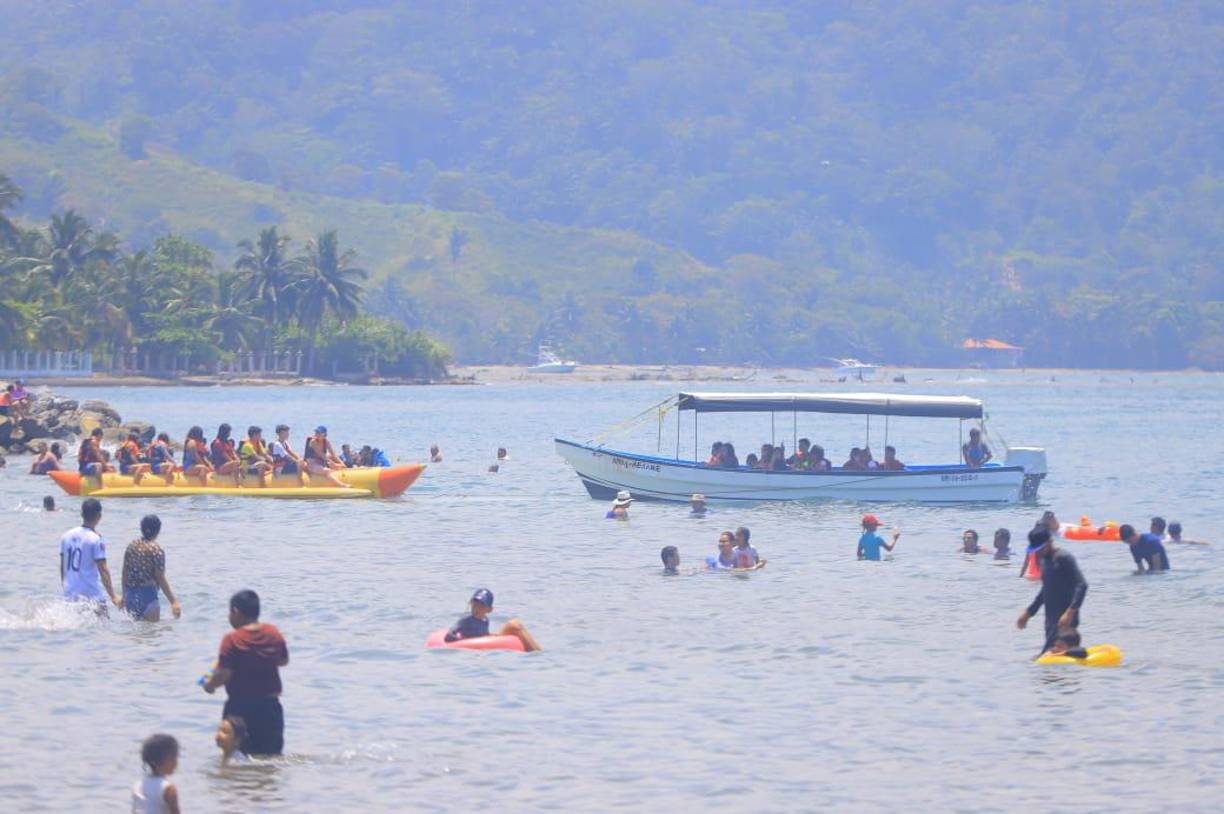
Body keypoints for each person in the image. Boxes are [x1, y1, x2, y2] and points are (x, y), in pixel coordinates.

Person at [202, 589, 289, 756]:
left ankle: (239, 782)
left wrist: (209, 685)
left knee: (235, 757)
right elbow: (283, 661)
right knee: (269, 758)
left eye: (230, 612)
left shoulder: (232, 639)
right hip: (270, 707)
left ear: (236, 612)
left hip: (239, 709)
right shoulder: (273, 633)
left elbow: (224, 674)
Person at [1016, 529, 1088, 647]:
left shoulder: (1064, 558)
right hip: (1051, 619)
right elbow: (1045, 589)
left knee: (1054, 656)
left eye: (1041, 548)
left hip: (1066, 621)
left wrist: (1070, 613)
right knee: (1050, 659)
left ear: (1050, 542)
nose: (1038, 552)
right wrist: (1029, 613)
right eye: (1036, 550)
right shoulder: (1042, 560)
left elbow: (1082, 585)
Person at [59, 498, 122, 612]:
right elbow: (103, 569)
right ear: (99, 516)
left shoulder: (65, 536)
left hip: (70, 596)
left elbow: (62, 567)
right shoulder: (96, 539)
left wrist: (66, 587)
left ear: (82, 514)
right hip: (91, 596)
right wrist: (113, 596)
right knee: (104, 627)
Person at [122, 514, 181, 622]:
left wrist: (124, 595)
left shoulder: (131, 546)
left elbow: (124, 572)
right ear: (158, 530)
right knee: (151, 635)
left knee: (134, 636)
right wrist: (173, 601)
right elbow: (160, 577)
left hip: (131, 595)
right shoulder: (156, 549)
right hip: (148, 595)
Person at [444, 588, 541, 651]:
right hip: (471, 645)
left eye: (481, 605)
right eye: (474, 604)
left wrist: (492, 636)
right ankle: (537, 653)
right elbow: (448, 635)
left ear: (489, 610)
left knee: (516, 625)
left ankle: (535, 652)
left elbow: (483, 634)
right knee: (514, 625)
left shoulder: (485, 621)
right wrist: (462, 642)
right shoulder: (466, 620)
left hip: (483, 646)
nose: (476, 608)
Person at [131, 733, 181, 814]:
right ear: (168, 759)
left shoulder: (138, 785)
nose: (176, 762)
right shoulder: (168, 789)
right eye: (175, 757)